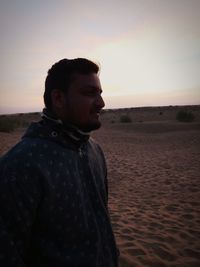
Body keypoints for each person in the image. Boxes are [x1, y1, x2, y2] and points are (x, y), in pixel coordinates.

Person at [0, 58, 119, 267]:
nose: (101, 103)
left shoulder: (94, 151)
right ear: (58, 98)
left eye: (100, 93)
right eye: (90, 93)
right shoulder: (21, 164)